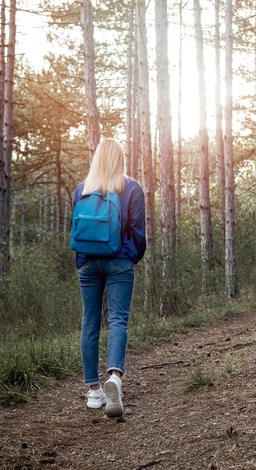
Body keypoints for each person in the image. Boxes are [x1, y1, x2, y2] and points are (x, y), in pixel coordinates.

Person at [71, 138, 146, 418]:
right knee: (117, 319)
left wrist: (82, 261)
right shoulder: (131, 187)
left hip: (88, 263)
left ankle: (93, 391)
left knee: (89, 321)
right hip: (119, 261)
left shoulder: (82, 190)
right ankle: (114, 376)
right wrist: (130, 258)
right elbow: (138, 231)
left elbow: (74, 228)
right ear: (120, 159)